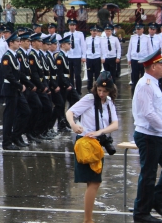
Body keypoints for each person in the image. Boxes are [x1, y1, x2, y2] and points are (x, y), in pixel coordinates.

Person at [66, 71, 119, 223]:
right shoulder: (89, 99)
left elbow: (115, 124)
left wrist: (101, 131)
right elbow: (70, 112)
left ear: (110, 90)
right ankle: (88, 220)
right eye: (99, 90)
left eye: (105, 91)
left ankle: (88, 219)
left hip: (97, 144)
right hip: (85, 143)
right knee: (94, 182)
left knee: (94, 181)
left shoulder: (109, 102)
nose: (101, 93)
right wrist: (74, 125)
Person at [131, 49, 162, 223]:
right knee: (148, 174)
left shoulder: (153, 83)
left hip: (157, 135)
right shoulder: (145, 84)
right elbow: (148, 114)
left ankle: (157, 201)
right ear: (153, 66)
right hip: (148, 135)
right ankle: (141, 213)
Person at [0, 32, 32, 150]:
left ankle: (16, 136)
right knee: (9, 117)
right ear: (11, 43)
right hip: (10, 90)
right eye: (17, 41)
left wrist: (28, 84)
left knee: (26, 112)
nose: (19, 43)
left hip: (17, 89)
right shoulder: (6, 56)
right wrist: (19, 85)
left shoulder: (14, 55)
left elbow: (19, 72)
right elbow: (8, 74)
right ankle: (6, 142)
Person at [128, 23, 154, 95]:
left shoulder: (146, 38)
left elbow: (150, 50)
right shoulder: (132, 37)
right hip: (134, 59)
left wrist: (150, 60)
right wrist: (129, 58)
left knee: (144, 74)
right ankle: (135, 87)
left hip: (144, 59)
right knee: (134, 74)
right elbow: (130, 49)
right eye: (137, 29)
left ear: (142, 29)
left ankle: (145, 87)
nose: (138, 31)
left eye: (139, 29)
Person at [63, 19, 86, 95]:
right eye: (70, 25)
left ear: (75, 26)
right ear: (69, 26)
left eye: (73, 25)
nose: (72, 27)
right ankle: (72, 90)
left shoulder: (80, 34)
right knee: (70, 75)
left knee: (77, 75)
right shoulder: (66, 34)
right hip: (69, 56)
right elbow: (64, 46)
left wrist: (83, 56)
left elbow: (83, 45)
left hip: (77, 56)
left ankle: (79, 91)